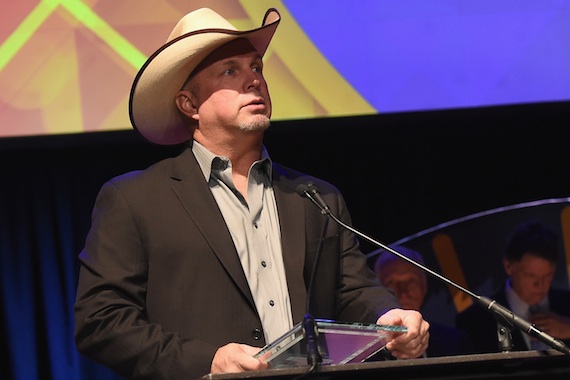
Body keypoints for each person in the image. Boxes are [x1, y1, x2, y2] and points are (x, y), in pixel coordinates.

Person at [73, 7, 430, 380]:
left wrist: (387, 317)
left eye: (256, 68)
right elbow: (101, 322)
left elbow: (353, 291)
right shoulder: (135, 199)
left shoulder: (315, 197)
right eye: (230, 70)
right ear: (189, 105)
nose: (253, 81)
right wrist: (206, 360)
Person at [456, 221, 570, 353]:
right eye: (530, 275)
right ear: (508, 266)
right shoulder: (475, 321)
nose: (540, 285)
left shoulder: (567, 305)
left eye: (548, 275)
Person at [375, 246, 474, 357]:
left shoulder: (455, 342)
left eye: (410, 281)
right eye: (392, 282)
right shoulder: (363, 349)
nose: (403, 291)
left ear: (424, 286)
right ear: (379, 290)